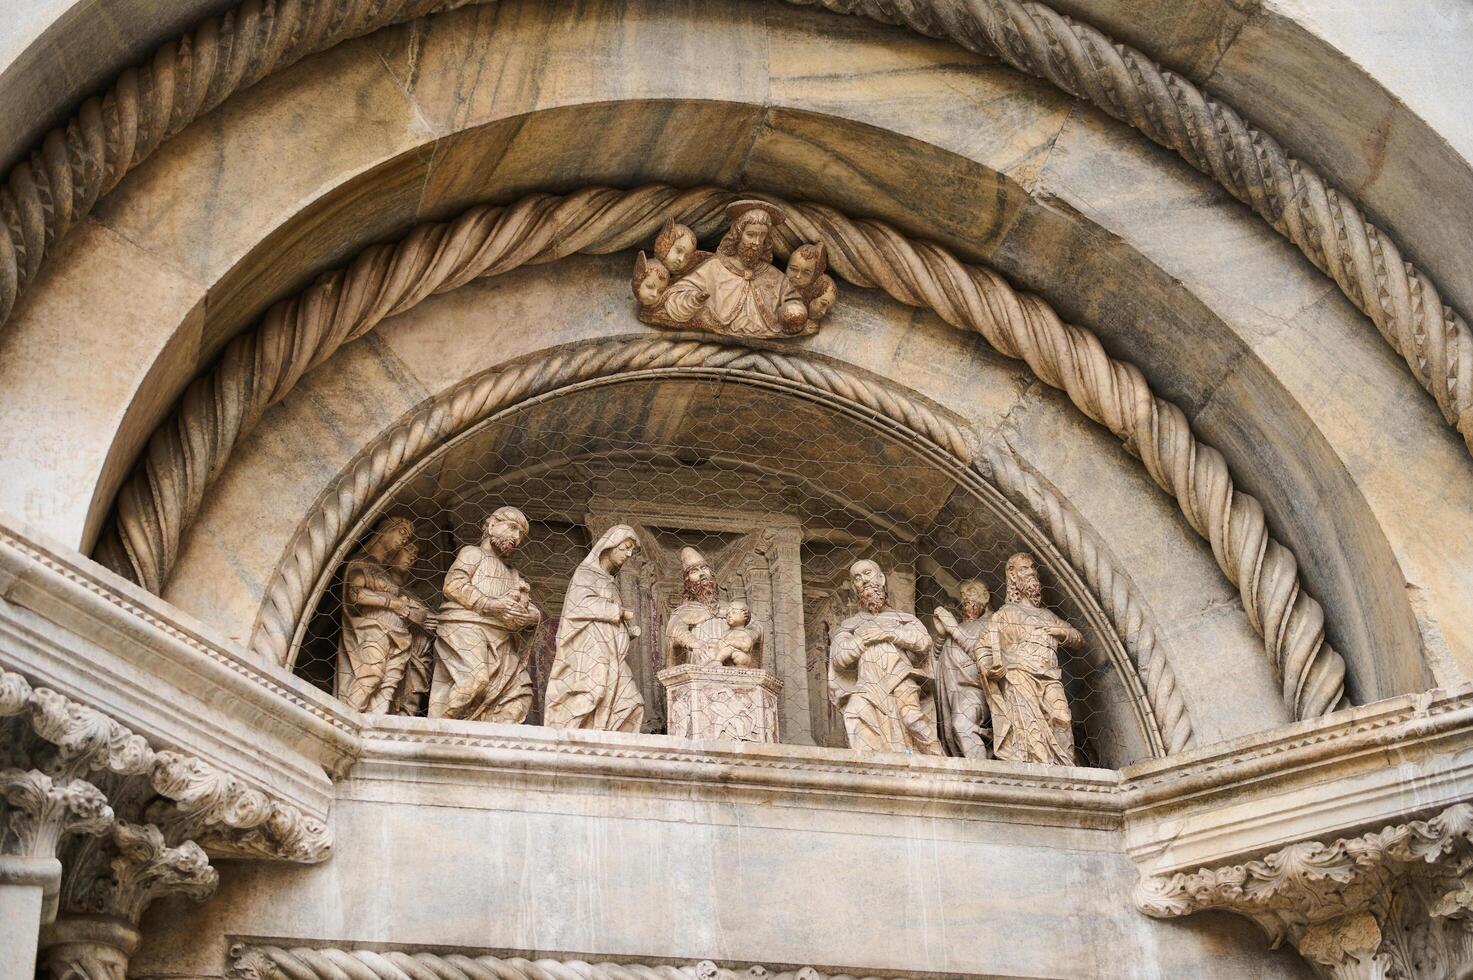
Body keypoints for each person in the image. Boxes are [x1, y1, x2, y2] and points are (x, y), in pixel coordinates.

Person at [427, 507, 542, 722]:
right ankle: (441, 729)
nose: (517, 538)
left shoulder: (513, 574)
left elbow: (529, 608)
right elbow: (453, 584)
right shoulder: (473, 553)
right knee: (474, 680)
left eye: (521, 535)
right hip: (466, 628)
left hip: (502, 640)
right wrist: (489, 604)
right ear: (491, 525)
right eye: (513, 528)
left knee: (520, 693)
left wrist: (531, 617)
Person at [828, 560, 943, 755]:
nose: (864, 580)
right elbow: (839, 658)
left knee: (912, 719)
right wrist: (862, 640)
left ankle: (939, 761)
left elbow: (923, 642)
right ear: (854, 587)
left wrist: (890, 634)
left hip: (900, 681)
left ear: (881, 579)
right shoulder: (851, 625)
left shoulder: (903, 618)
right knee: (855, 712)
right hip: (868, 686)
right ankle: (870, 770)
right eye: (857, 578)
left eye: (867, 573)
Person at [543, 525, 646, 732]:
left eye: (631, 551)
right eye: (625, 547)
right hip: (590, 651)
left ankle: (616, 746)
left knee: (632, 702)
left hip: (614, 657)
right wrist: (618, 612)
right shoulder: (586, 574)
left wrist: (626, 630)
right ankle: (568, 736)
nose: (628, 554)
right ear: (609, 545)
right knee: (593, 691)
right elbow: (579, 605)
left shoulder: (610, 581)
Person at [658, 200, 811, 337]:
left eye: (762, 236)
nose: (756, 242)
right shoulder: (715, 267)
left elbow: (794, 300)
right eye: (750, 235)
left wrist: (793, 310)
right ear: (738, 234)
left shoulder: (775, 276)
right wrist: (693, 299)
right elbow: (675, 294)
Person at [985, 553, 1082, 765]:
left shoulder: (1048, 615)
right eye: (1023, 569)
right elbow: (984, 647)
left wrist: (1060, 631)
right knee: (1031, 727)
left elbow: (1077, 638)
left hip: (1050, 677)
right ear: (1012, 577)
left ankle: (1064, 766)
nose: (1030, 573)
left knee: (1062, 717)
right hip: (1019, 678)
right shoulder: (1005, 613)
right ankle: (1038, 765)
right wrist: (990, 669)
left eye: (1031, 568)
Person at [336, 517, 436, 714]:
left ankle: (376, 722)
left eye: (407, 539)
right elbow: (356, 593)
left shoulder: (388, 576)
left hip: (398, 638)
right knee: (371, 675)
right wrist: (393, 603)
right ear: (385, 530)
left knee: (388, 687)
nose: (404, 541)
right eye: (402, 534)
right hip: (373, 631)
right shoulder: (362, 563)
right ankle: (348, 717)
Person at [931, 579, 994, 759]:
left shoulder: (994, 622)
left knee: (962, 725)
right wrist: (942, 637)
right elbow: (935, 660)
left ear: (986, 596)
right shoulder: (961, 626)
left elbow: (985, 657)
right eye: (963, 595)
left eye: (972, 591)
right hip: (950, 693)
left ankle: (981, 777)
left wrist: (953, 628)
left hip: (975, 690)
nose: (966, 596)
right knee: (954, 730)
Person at [715, 600, 761, 668]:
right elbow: (720, 644)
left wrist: (731, 643)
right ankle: (718, 662)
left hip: (741, 657)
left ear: (745, 616)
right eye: (727, 614)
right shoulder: (726, 632)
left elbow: (746, 647)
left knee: (730, 650)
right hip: (727, 659)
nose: (729, 616)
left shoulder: (747, 632)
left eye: (734, 612)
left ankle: (717, 662)